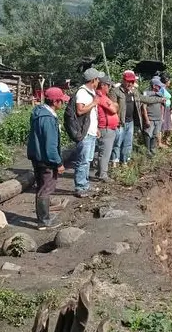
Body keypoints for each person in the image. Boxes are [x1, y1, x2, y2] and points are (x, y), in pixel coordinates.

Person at [26, 87, 69, 229]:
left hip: (37, 156)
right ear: (55, 101)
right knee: (46, 189)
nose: (62, 104)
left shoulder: (38, 113)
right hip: (46, 159)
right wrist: (58, 163)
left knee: (40, 187)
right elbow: (50, 145)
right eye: (61, 101)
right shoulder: (48, 119)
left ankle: (42, 218)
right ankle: (44, 221)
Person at [111, 70, 163, 168]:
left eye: (132, 82)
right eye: (128, 81)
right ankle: (114, 162)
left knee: (128, 143)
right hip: (120, 122)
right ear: (123, 80)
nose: (130, 84)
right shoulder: (115, 92)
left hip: (130, 122)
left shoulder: (134, 92)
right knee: (117, 143)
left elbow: (145, 99)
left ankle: (124, 162)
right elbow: (111, 108)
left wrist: (159, 99)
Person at [73, 68, 103, 198]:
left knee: (88, 160)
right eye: (97, 79)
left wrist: (95, 128)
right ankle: (80, 187)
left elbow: (91, 115)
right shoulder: (82, 92)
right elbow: (80, 110)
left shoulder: (90, 92)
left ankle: (85, 184)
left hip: (90, 132)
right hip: (84, 133)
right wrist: (94, 103)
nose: (99, 81)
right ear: (93, 80)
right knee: (83, 160)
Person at [95, 75, 119, 182]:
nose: (109, 88)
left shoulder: (105, 96)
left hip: (109, 127)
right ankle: (102, 175)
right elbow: (114, 109)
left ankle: (100, 171)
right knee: (105, 152)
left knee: (105, 151)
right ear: (103, 85)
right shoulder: (101, 97)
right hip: (105, 128)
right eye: (108, 85)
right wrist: (114, 104)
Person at [141, 76, 165, 156]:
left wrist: (161, 117)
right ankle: (147, 150)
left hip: (158, 119)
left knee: (155, 134)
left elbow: (162, 106)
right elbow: (144, 107)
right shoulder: (147, 94)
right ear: (154, 86)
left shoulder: (159, 95)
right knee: (148, 134)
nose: (160, 88)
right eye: (159, 86)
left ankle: (153, 149)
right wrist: (146, 119)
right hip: (150, 118)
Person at [158, 72, 172, 148]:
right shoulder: (161, 89)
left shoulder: (166, 88)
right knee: (162, 126)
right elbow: (159, 98)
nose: (170, 82)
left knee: (169, 126)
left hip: (167, 108)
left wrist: (171, 108)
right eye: (169, 80)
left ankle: (166, 140)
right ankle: (160, 143)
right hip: (163, 109)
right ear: (166, 81)